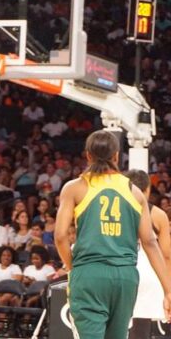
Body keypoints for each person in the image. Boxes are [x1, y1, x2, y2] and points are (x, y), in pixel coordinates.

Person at [55, 131, 171, 339]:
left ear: (88, 156)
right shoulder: (134, 192)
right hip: (125, 277)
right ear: (117, 156)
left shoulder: (74, 187)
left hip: (90, 272)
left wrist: (73, 267)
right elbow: (150, 243)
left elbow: (61, 237)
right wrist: (168, 290)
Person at [126, 169, 171, 339]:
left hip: (121, 269)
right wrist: (168, 287)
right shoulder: (159, 215)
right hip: (149, 273)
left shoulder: (116, 212)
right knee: (141, 329)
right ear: (148, 189)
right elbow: (166, 255)